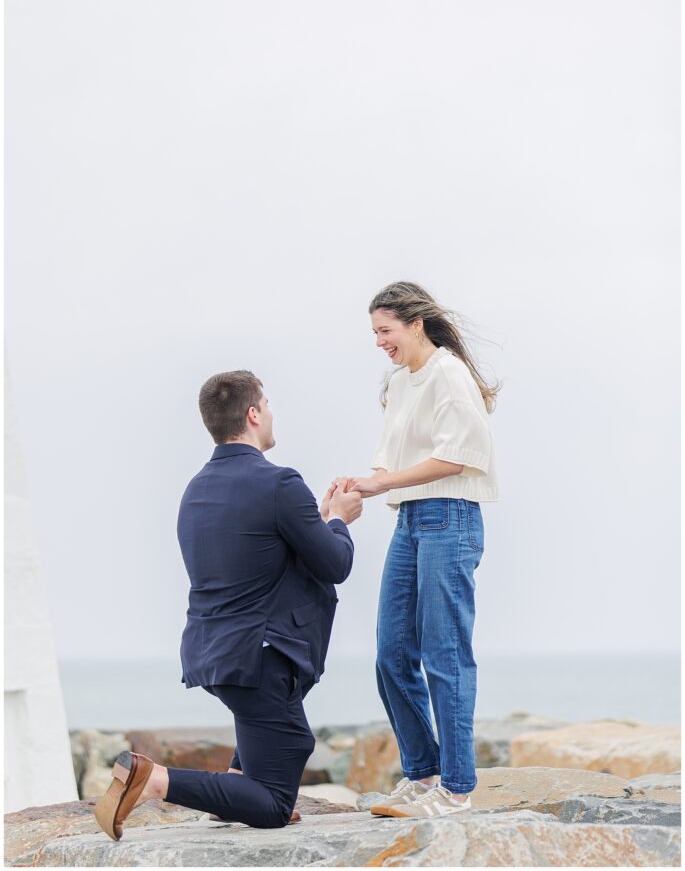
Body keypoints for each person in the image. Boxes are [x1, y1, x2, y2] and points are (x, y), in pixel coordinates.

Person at [95, 370, 362, 840]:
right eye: (267, 403)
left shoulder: (195, 489)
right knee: (277, 803)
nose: (272, 412)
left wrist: (314, 523)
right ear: (253, 413)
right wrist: (338, 520)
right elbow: (335, 564)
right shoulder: (279, 483)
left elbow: (253, 560)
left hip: (213, 652)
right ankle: (153, 779)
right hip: (259, 656)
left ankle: (235, 789)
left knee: (268, 753)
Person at [337, 281, 500, 819]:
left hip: (450, 516)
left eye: (385, 331)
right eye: (375, 333)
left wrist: (383, 485)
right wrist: (358, 485)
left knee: (444, 655)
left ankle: (455, 790)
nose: (379, 342)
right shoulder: (403, 382)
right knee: (391, 653)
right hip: (410, 520)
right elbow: (391, 464)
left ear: (415, 323)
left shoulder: (449, 374)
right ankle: (423, 773)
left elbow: (458, 457)